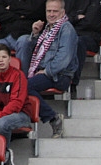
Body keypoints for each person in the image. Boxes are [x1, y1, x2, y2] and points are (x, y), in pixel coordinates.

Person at [16, 0, 76, 140]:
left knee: (23, 86)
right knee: (19, 85)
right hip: (43, 72)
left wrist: (47, 71)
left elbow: (64, 58)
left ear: (62, 12)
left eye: (55, 11)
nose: (51, 14)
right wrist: (35, 34)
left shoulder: (66, 29)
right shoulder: (47, 29)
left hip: (59, 75)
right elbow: (35, 52)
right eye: (49, 11)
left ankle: (53, 118)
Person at [0, 0, 46, 64]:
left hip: (26, 35)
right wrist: (20, 15)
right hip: (3, 35)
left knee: (24, 41)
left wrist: (11, 8)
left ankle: (22, 76)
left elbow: (34, 10)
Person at [65, 0, 101, 98]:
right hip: (69, 35)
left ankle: (73, 83)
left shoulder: (94, 2)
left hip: (90, 38)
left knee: (78, 42)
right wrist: (76, 18)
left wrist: (71, 22)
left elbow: (89, 23)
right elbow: (61, 20)